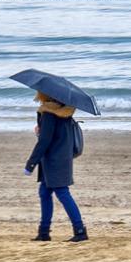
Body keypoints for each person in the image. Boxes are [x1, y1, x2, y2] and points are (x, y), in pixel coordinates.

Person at [24, 91, 88, 243]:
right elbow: (56, 135)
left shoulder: (48, 114)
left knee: (62, 192)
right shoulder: (64, 112)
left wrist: (30, 164)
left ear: (45, 95)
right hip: (62, 157)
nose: (37, 97)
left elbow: (45, 141)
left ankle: (80, 230)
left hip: (53, 160)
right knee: (45, 192)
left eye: (39, 94)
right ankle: (44, 232)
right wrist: (41, 129)